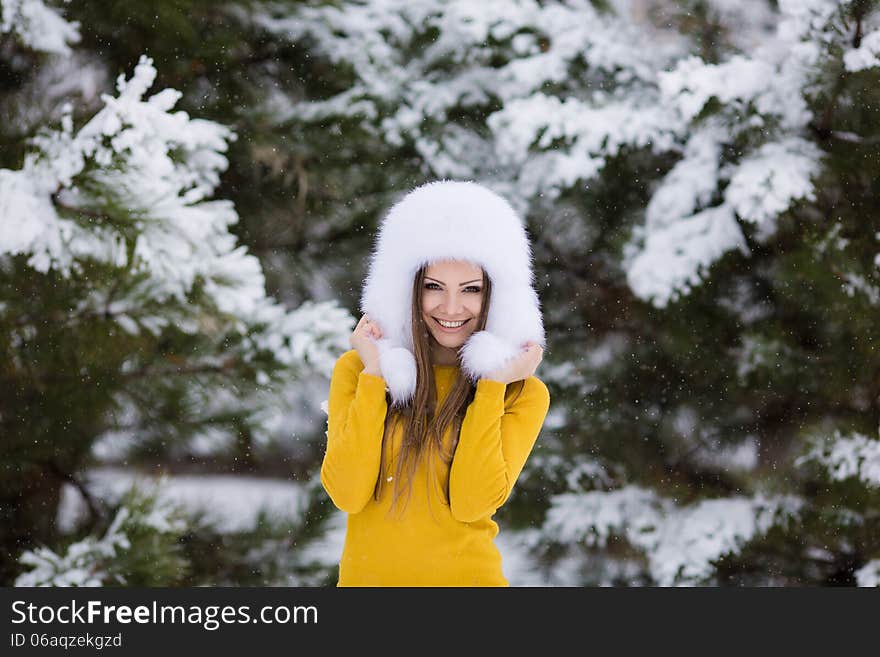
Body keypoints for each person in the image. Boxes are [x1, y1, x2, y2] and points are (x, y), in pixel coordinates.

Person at [321, 180, 550, 586]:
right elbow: (348, 492)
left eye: (471, 290)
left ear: (496, 297)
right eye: (433, 287)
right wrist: (376, 374)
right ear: (407, 289)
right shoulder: (358, 372)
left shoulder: (521, 391)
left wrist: (491, 385)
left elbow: (471, 501)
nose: (451, 308)